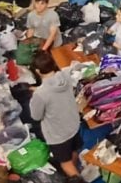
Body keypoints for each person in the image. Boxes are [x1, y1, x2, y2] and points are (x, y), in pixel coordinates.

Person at [29, 52, 82, 183]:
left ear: (37, 71)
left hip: (58, 135)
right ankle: (75, 171)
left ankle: (77, 179)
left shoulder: (41, 94)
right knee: (73, 150)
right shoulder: (65, 76)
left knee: (65, 163)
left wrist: (36, 95)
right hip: (73, 124)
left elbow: (36, 116)